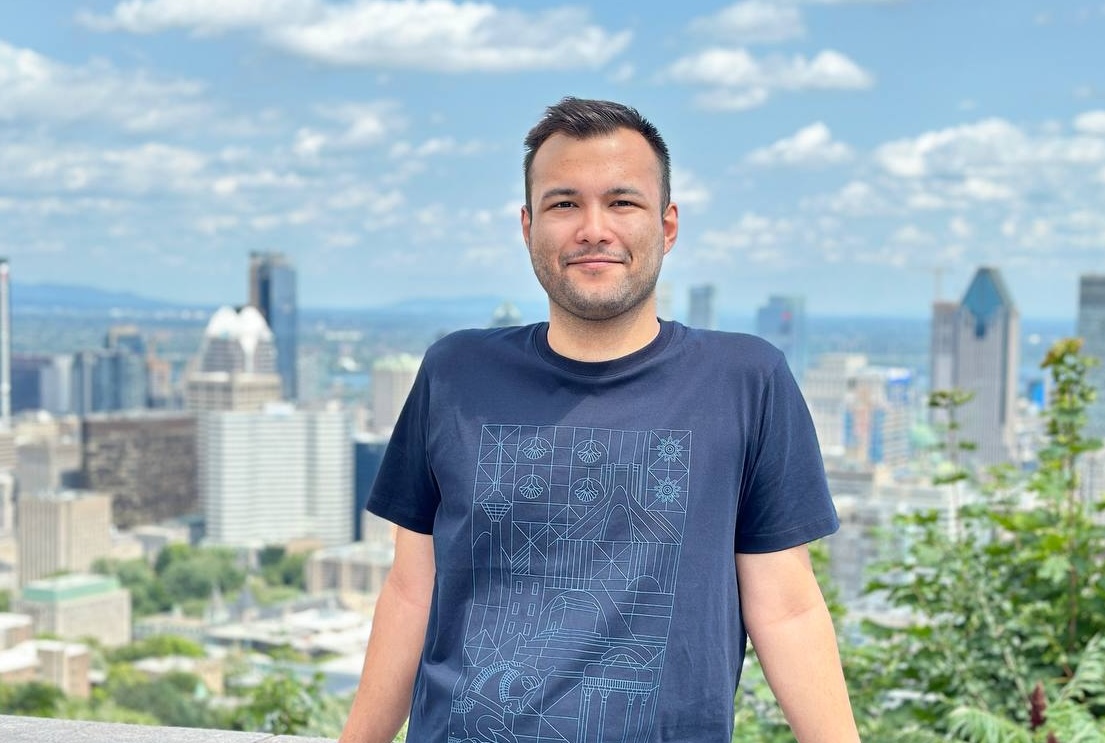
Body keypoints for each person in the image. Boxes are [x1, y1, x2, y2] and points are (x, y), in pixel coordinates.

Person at [339, 97, 859, 743]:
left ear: (666, 226)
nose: (593, 228)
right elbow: (412, 590)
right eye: (563, 204)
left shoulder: (744, 379)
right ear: (527, 226)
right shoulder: (456, 372)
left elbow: (786, 606)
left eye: (622, 202)